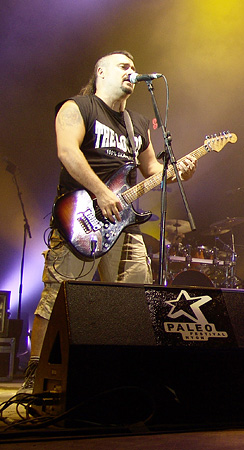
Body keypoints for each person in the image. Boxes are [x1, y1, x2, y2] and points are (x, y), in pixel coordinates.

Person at [19, 51, 197, 394]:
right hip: (79, 220)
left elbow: (152, 172)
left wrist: (179, 173)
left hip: (125, 225)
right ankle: (36, 373)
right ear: (101, 72)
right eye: (124, 66)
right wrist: (101, 192)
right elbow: (67, 152)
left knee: (137, 298)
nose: (133, 71)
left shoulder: (138, 124)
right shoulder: (78, 107)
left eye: (134, 67)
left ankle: (126, 378)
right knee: (57, 297)